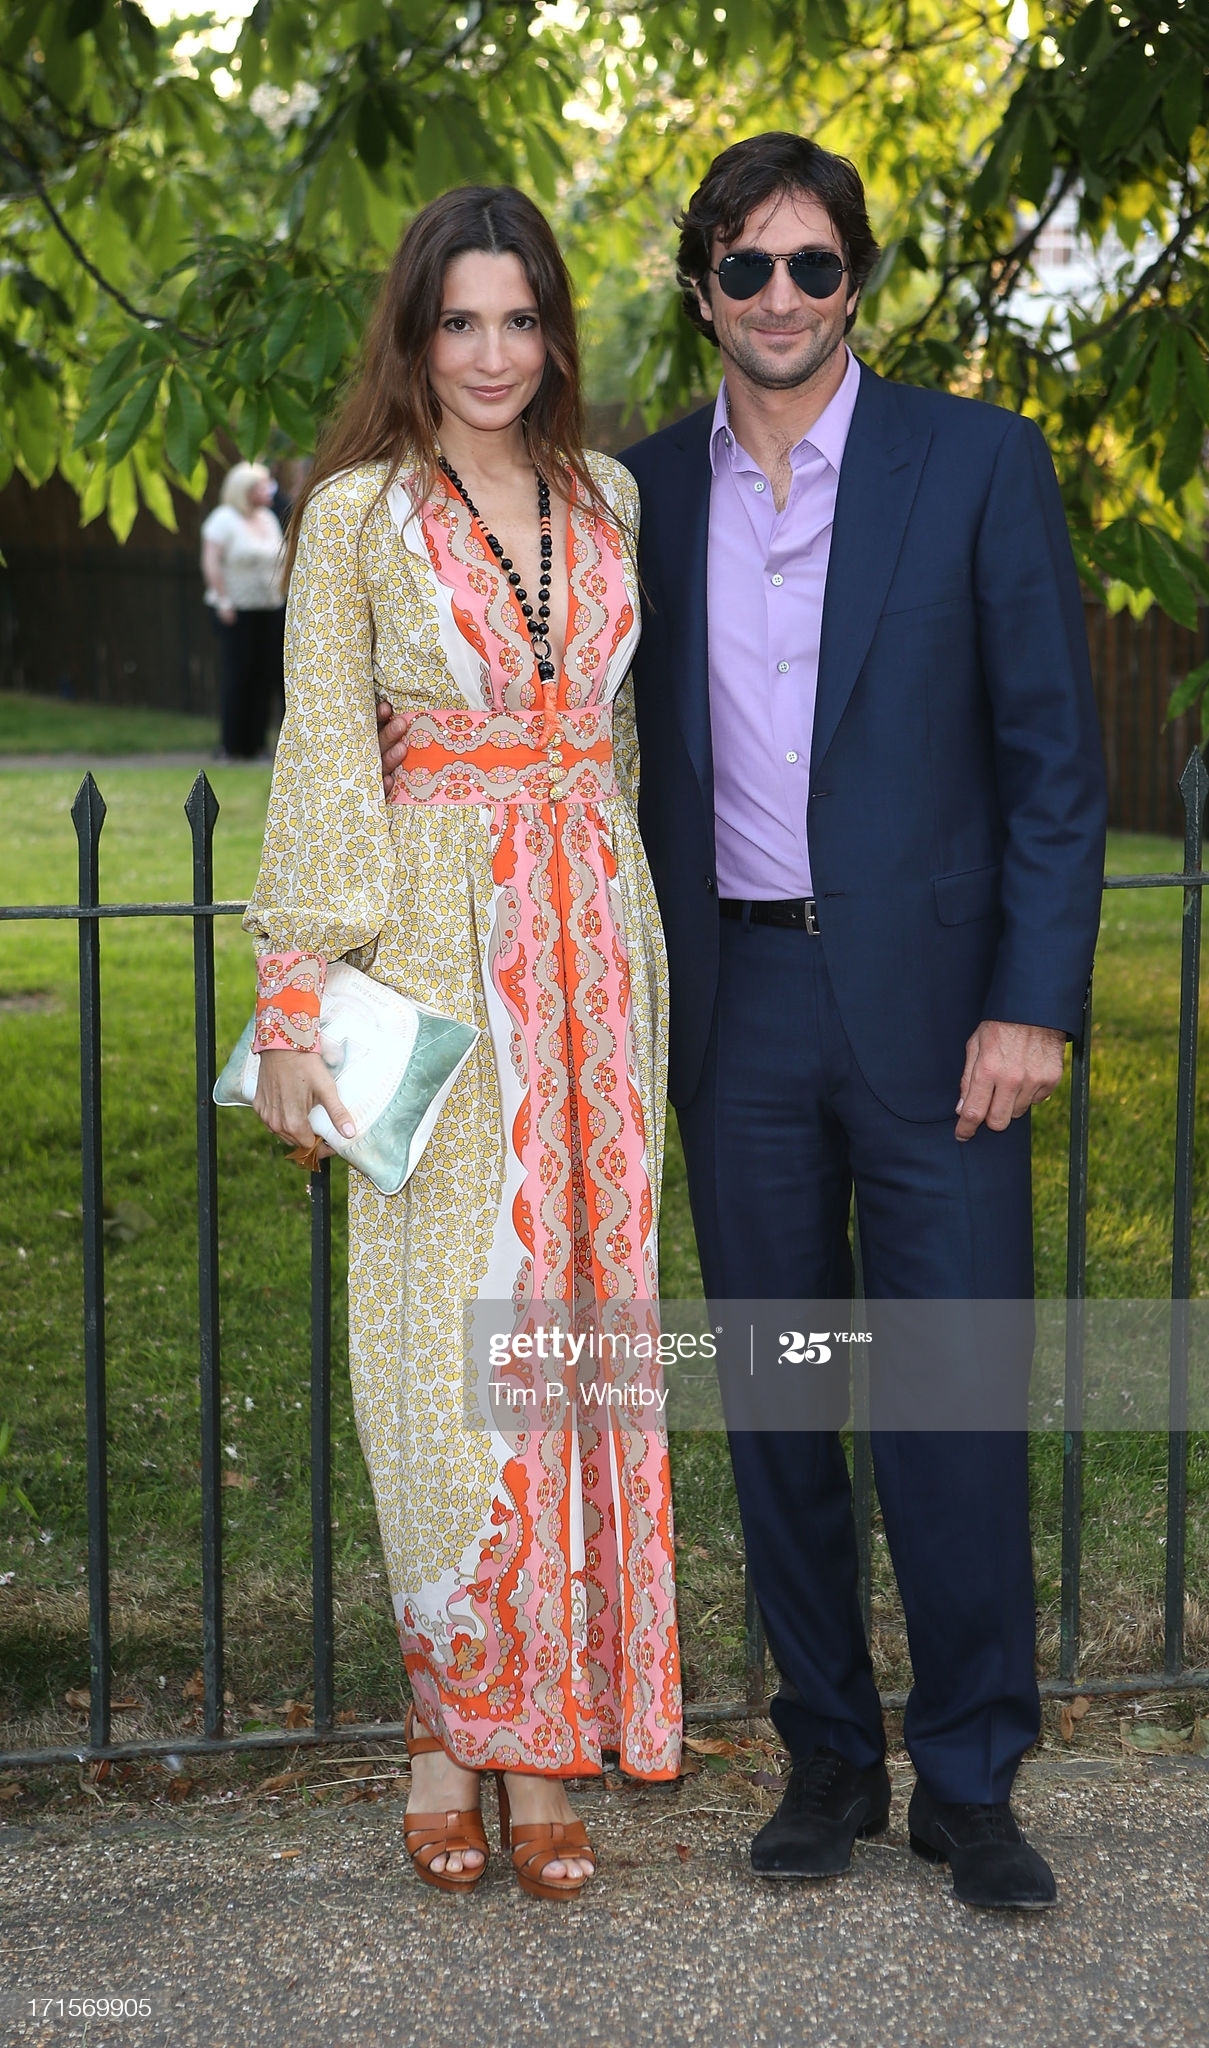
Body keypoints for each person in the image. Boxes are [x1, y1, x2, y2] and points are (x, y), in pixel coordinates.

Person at [381, 133, 1109, 1914]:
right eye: (746, 267)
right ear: (701, 290)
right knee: (783, 1413)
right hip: (733, 1015)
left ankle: (969, 1780)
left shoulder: (976, 465)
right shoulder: (629, 500)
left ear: (852, 281)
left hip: (942, 1022)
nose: (780, 297)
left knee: (948, 1408)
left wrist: (1029, 1002)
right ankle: (826, 1758)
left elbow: (1053, 763)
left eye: (812, 265)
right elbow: (548, 735)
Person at [244, 185, 682, 1902]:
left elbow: (618, 747)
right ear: (415, 336)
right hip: (437, 960)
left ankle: (546, 1742)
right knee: (442, 1361)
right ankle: (452, 1729)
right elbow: (320, 760)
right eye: (459, 322)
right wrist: (297, 1002)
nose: (492, 354)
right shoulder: (357, 514)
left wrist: (612, 923)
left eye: (518, 318)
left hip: (598, 973)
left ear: (553, 330)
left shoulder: (608, 497)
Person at [200, 461, 286, 759]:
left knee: (265, 675)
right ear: (245, 490)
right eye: (262, 486)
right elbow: (211, 562)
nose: (269, 491)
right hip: (236, 610)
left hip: (269, 607)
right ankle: (231, 744)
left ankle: (257, 744)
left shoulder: (268, 518)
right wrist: (223, 600)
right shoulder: (223, 520)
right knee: (239, 674)